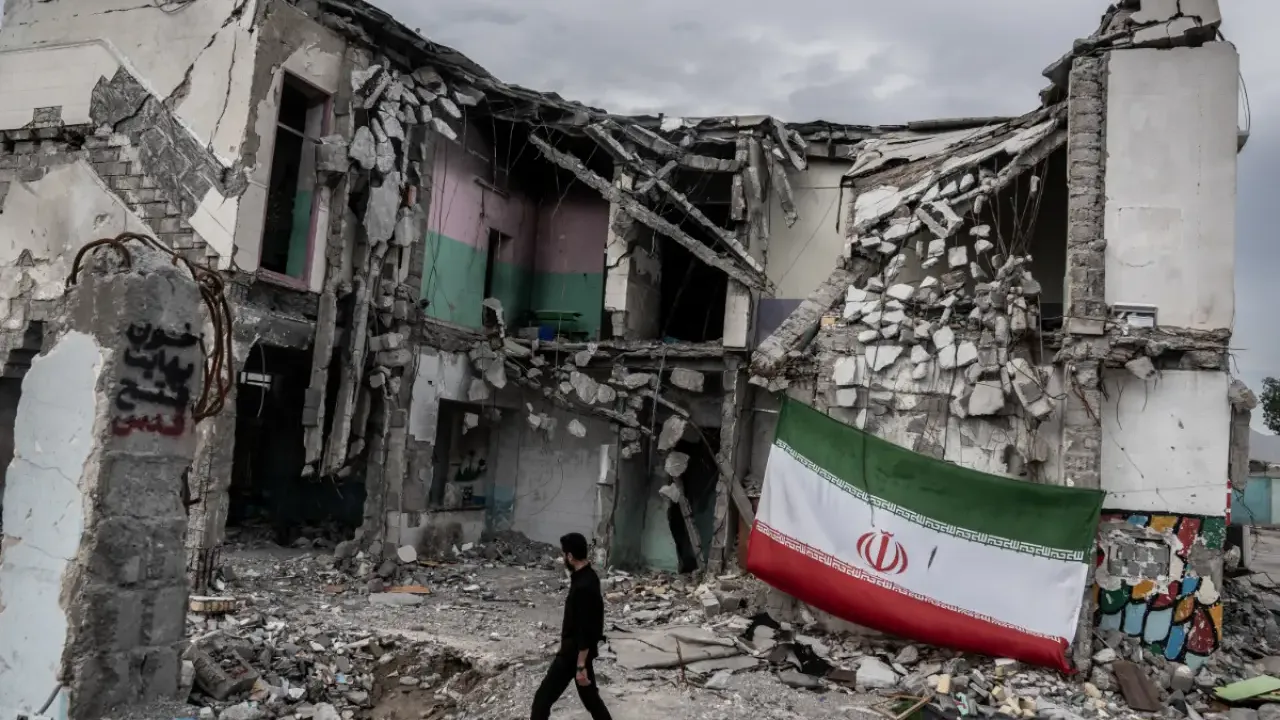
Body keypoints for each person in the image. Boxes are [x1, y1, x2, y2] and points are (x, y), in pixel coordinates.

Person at [530, 532, 614, 720]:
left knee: (542, 700)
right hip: (579, 653)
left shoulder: (583, 586)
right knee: (592, 701)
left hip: (572, 655)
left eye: (563, 554)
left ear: (570, 556)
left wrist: (580, 665)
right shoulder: (588, 577)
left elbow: (584, 627)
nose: (562, 558)